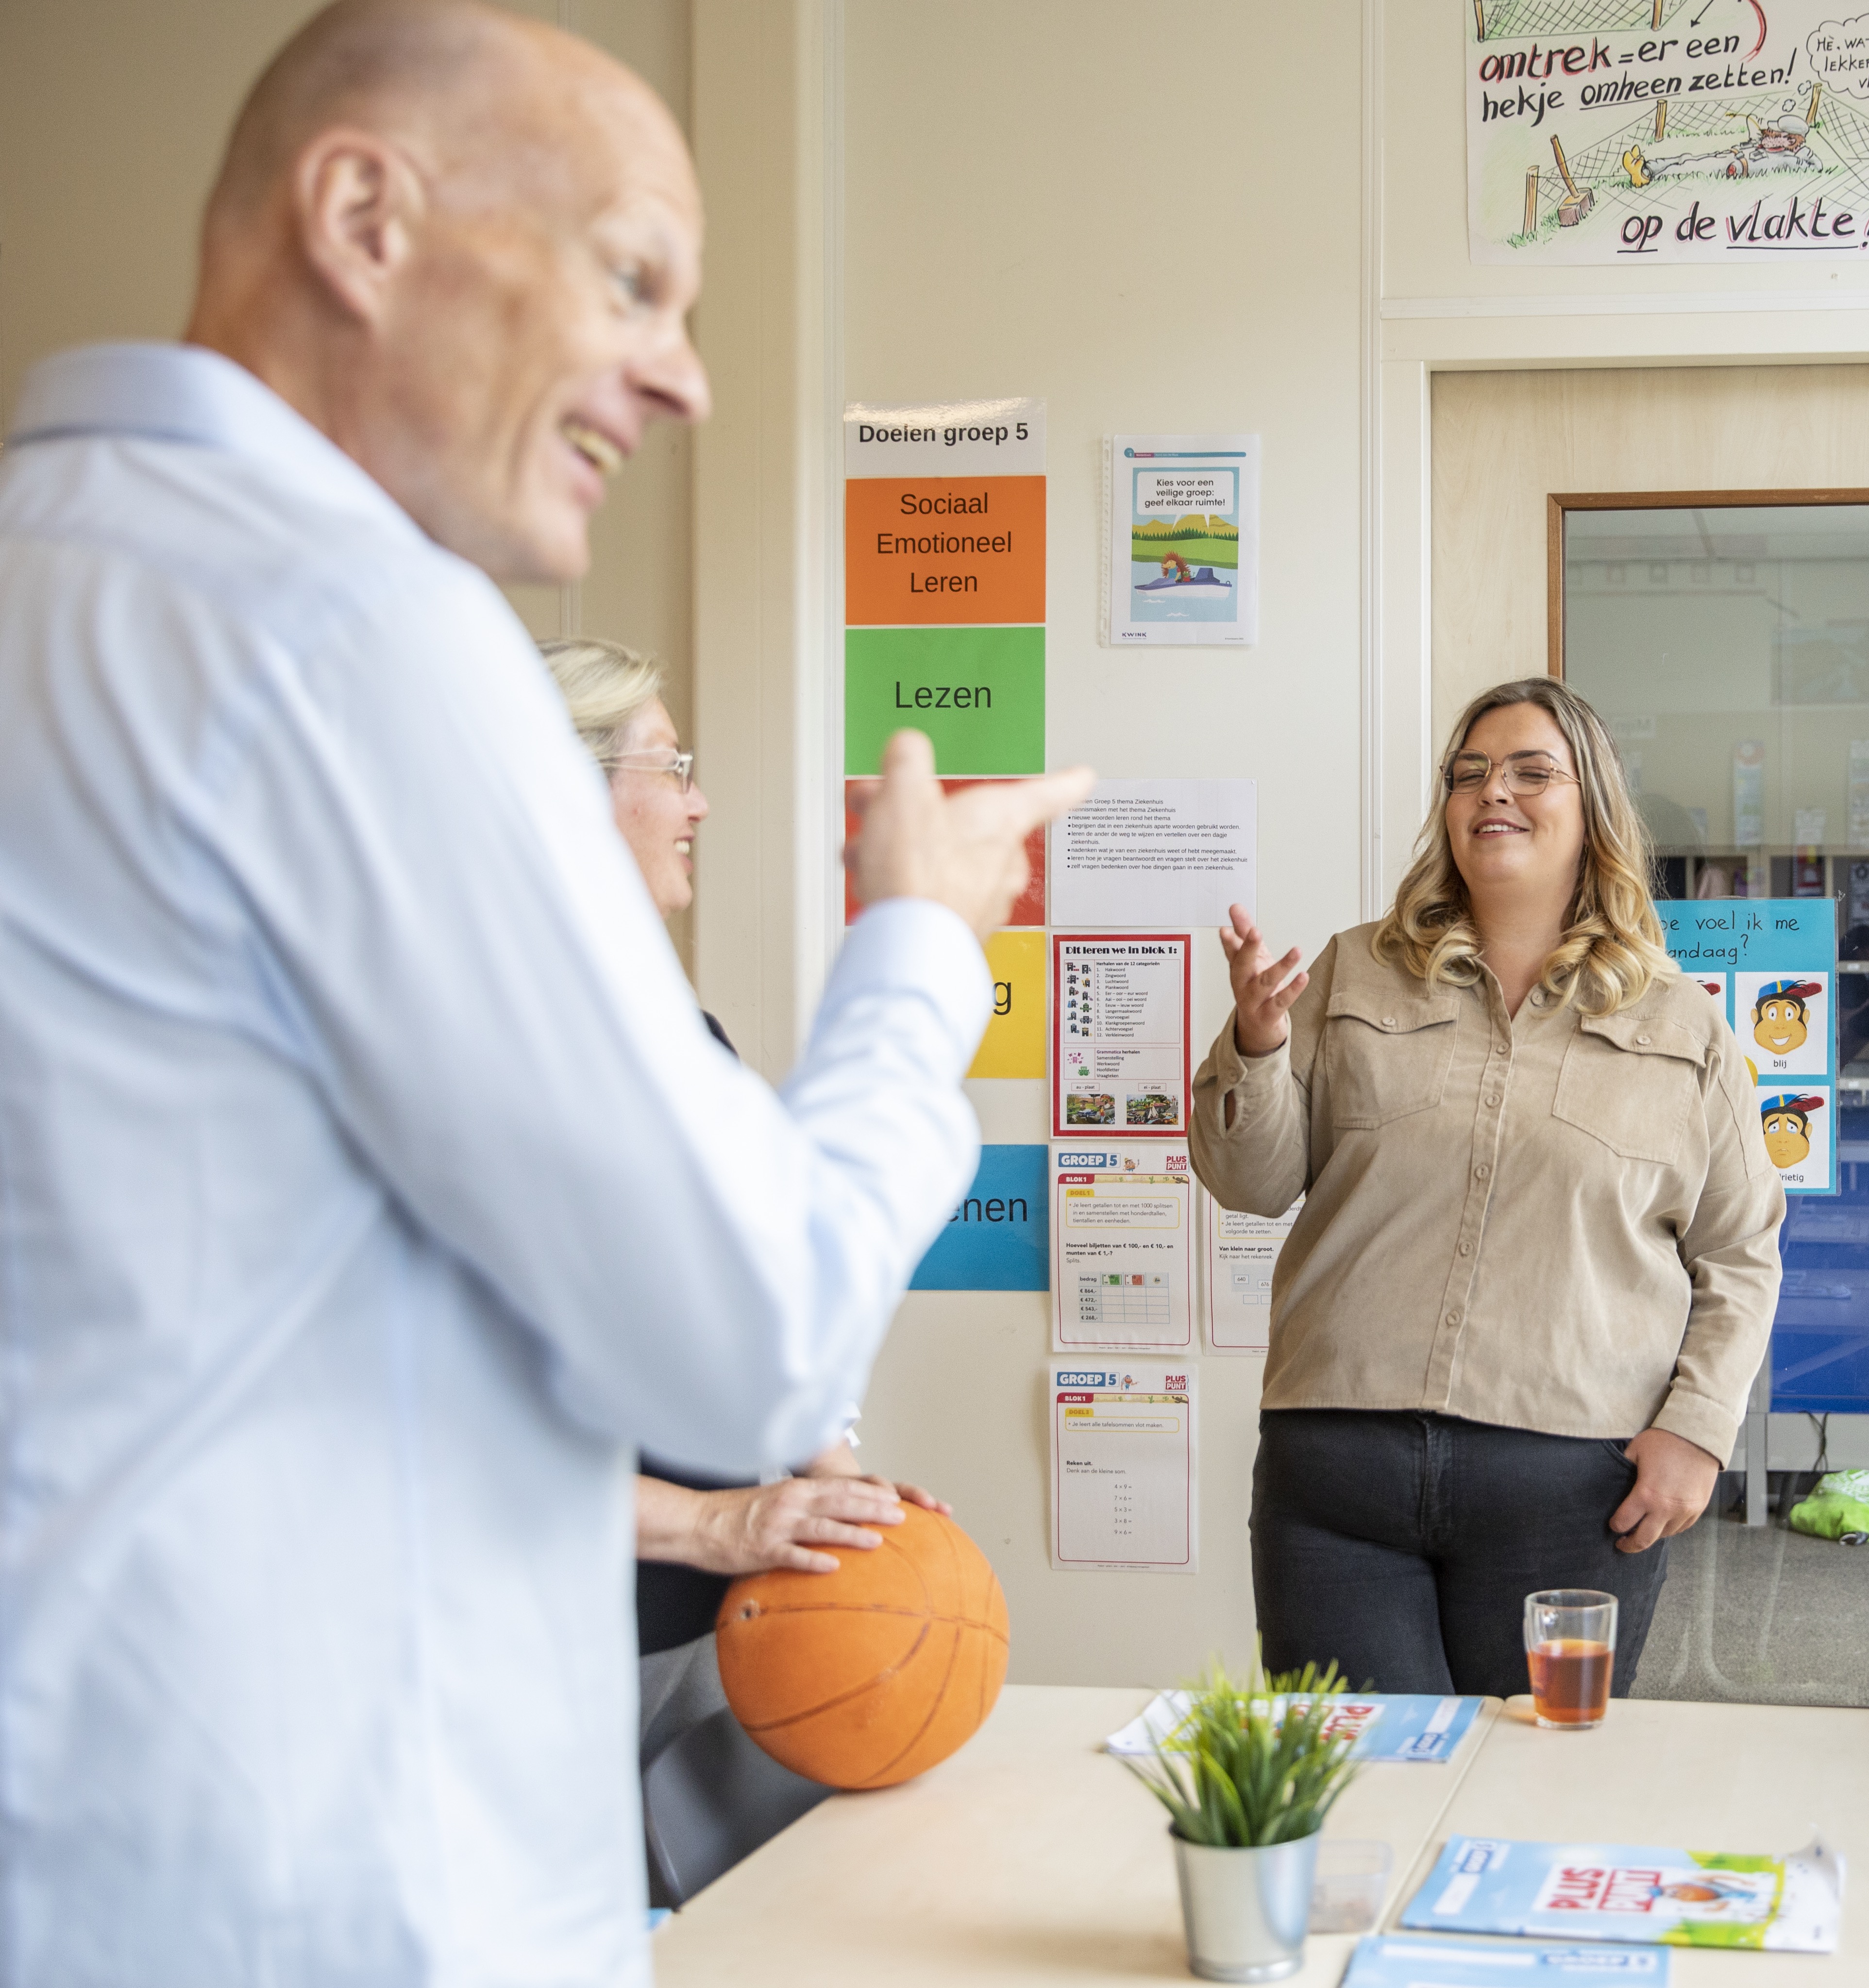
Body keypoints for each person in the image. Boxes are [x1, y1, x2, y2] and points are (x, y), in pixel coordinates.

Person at [0, 4, 1086, 1981]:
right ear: (363, 215)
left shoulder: (57, 578)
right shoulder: (347, 628)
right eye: (631, 281)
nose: (678, 376)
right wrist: (919, 941)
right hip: (336, 1900)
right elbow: (740, 1346)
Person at [1190, 678, 1784, 1699]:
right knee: (1366, 1797)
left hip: (1568, 1492)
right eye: (1468, 774)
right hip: (1337, 1481)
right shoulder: (1349, 973)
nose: (1491, 792)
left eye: (1528, 771)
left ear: (1590, 805)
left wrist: (1696, 1427)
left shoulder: (1678, 1026)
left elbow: (1740, 1248)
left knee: (1532, 1800)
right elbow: (1251, 1180)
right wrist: (1256, 1043)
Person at [536, 636, 939, 1859]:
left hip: (716, 1632)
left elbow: (752, 1309)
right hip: (557, 1642)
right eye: (671, 763)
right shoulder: (505, 1055)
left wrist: (828, 1476)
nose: (699, 799)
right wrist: (714, 1524)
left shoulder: (679, 1036)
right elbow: (451, 1428)